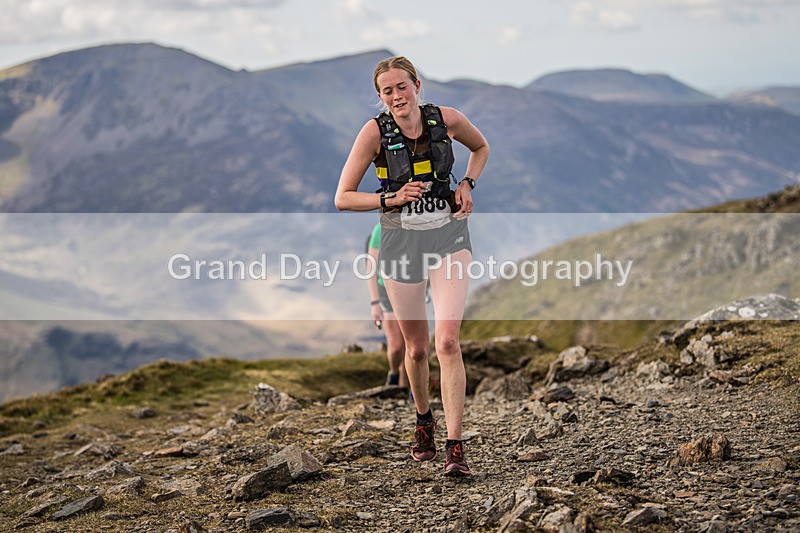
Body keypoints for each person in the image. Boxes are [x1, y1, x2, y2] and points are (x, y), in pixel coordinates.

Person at [335, 56, 489, 477]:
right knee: (417, 349)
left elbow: (481, 147)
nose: (396, 96)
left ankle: (456, 448)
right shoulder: (374, 132)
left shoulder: (448, 120)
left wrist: (467, 183)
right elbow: (343, 197)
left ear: (416, 85)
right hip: (400, 240)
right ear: (380, 96)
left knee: (447, 343)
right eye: (387, 91)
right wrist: (390, 198)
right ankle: (424, 419)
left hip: (449, 236)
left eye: (402, 87)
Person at [366, 221, 409, 389]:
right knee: (397, 346)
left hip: (412, 288)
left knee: (410, 344)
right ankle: (394, 373)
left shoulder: (420, 224)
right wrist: (375, 303)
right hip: (386, 289)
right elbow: (371, 266)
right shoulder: (380, 228)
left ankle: (407, 389)